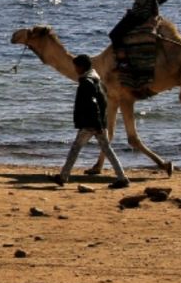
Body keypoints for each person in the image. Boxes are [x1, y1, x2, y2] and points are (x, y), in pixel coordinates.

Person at [52, 54, 129, 189]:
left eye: (76, 66)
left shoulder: (86, 83)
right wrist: (101, 123)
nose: (75, 69)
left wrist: (96, 124)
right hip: (98, 122)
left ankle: (63, 176)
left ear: (81, 67)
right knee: (107, 150)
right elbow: (102, 102)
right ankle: (122, 178)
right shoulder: (96, 80)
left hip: (90, 123)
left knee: (75, 149)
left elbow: (93, 105)